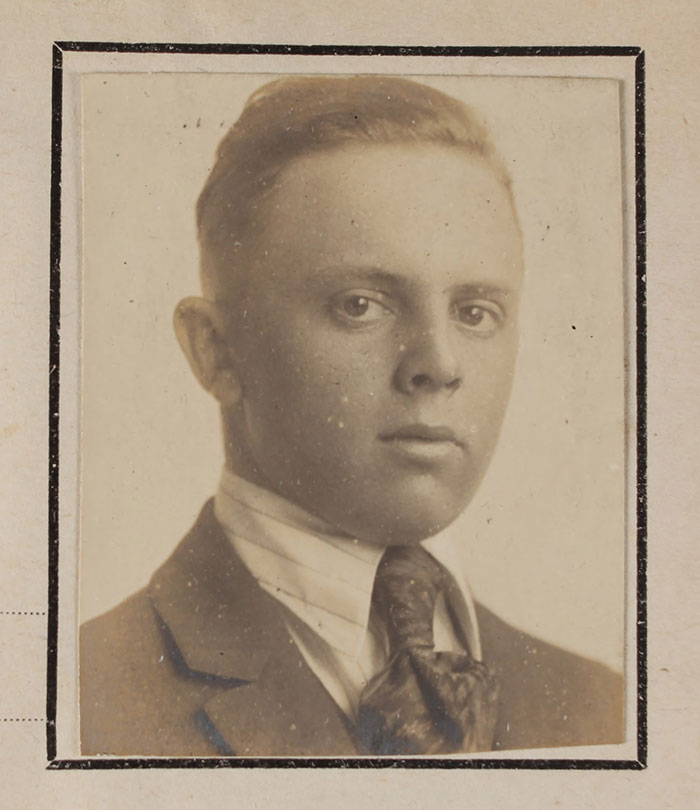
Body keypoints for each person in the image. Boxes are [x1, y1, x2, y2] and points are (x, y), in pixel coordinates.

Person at [80, 75, 623, 757]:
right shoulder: (80, 700)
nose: (439, 363)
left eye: (474, 312)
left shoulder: (603, 707)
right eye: (359, 306)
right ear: (216, 351)